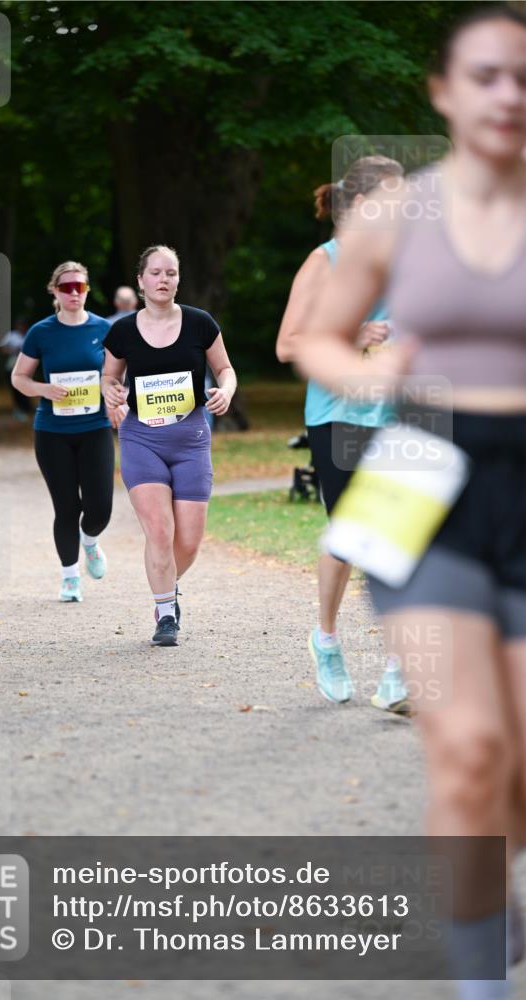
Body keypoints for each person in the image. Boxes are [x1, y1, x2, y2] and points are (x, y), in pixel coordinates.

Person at [296, 7, 526, 996]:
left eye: (522, 76)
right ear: (442, 91)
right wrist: (374, 376)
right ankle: (480, 980)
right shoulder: (394, 216)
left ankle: (494, 892)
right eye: (485, 75)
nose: (507, 94)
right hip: (426, 469)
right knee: (467, 748)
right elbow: (314, 337)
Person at [277, 155, 410, 713]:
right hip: (340, 414)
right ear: (357, 205)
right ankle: (326, 639)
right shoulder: (324, 261)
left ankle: (397, 670)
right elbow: (288, 345)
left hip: (401, 412)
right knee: (353, 533)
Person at [101, 245, 237, 646]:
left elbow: (225, 369)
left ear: (178, 279)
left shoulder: (200, 324)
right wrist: (111, 394)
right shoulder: (122, 331)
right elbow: (110, 378)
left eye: (171, 273)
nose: (164, 280)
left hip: (191, 438)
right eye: (156, 273)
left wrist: (226, 391)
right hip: (142, 437)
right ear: (141, 280)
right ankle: (164, 613)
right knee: (159, 530)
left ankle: (165, 582)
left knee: (189, 541)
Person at [11, 261, 118, 602]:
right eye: (67, 287)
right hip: (53, 431)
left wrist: (115, 396)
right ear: (55, 291)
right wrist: (43, 390)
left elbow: (117, 376)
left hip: (95, 427)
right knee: (66, 507)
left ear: (87, 290)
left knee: (100, 507)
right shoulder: (41, 332)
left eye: (80, 287)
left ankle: (90, 540)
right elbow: (19, 378)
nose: (74, 293)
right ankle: (70, 577)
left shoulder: (103, 328)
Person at [1, 320, 32, 422]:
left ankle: (25, 408)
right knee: (15, 389)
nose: (21, 327)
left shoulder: (30, 334)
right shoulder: (11, 336)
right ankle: (18, 409)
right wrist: (13, 350)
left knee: (26, 388)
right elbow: (3, 349)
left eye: (23, 325)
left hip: (27, 367)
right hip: (12, 365)